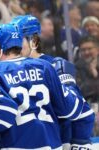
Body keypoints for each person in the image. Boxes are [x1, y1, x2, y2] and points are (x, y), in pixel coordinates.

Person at [0, 23, 88, 149]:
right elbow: (70, 109)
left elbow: (0, 118)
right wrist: (68, 83)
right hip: (52, 144)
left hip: (16, 144)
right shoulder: (44, 66)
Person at [11, 14, 95, 149]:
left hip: (59, 142)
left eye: (17, 40)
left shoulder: (55, 66)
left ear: (34, 41)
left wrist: (80, 143)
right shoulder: (9, 70)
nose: (12, 46)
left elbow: (84, 113)